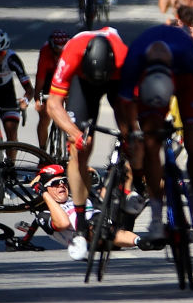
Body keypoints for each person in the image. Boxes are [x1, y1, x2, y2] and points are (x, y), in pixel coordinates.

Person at [118, 24, 193, 248]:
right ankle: (156, 217)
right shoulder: (134, 60)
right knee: (149, 142)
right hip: (151, 84)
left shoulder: (189, 55)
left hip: (187, 80)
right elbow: (125, 106)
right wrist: (134, 134)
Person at [44, 28, 129, 256]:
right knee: (80, 148)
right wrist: (76, 134)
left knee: (132, 135)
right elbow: (53, 104)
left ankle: (130, 191)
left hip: (117, 80)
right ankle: (81, 227)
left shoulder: (124, 56)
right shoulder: (72, 51)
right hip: (83, 84)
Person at [29, 164, 157, 259]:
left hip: (111, 221)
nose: (62, 185)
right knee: (98, 227)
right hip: (96, 236)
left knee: (123, 169)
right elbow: (62, 223)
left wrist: (86, 174)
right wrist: (43, 194)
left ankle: (145, 239)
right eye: (56, 183)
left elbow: (97, 196)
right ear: (46, 190)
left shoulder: (76, 198)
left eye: (64, 181)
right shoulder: (45, 214)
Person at [34, 29, 71, 150]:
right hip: (50, 78)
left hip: (68, 76)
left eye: (61, 53)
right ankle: (42, 151)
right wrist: (38, 99)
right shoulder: (45, 51)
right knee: (44, 116)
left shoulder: (72, 51)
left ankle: (72, 148)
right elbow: (40, 78)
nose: (58, 55)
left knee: (74, 114)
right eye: (56, 53)